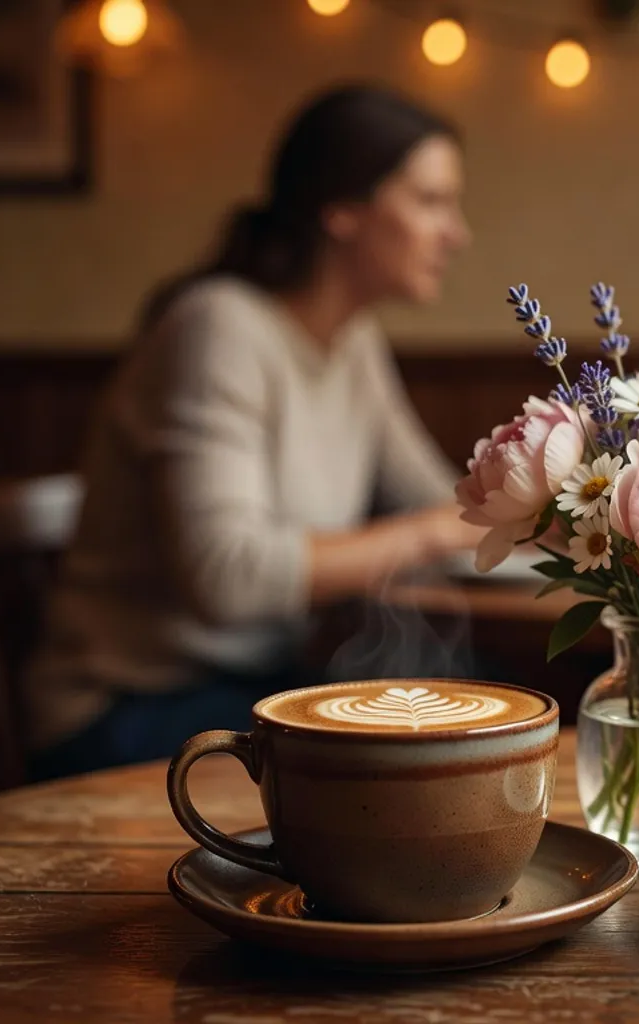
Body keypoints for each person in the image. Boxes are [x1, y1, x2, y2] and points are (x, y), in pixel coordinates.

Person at [26, 84, 482, 778]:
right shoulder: (217, 328)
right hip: (129, 707)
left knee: (466, 710)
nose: (457, 232)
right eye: (430, 202)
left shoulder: (351, 342)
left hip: (252, 690)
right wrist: (434, 531)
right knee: (411, 767)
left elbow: (446, 502)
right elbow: (226, 576)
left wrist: (567, 526)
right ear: (342, 211)